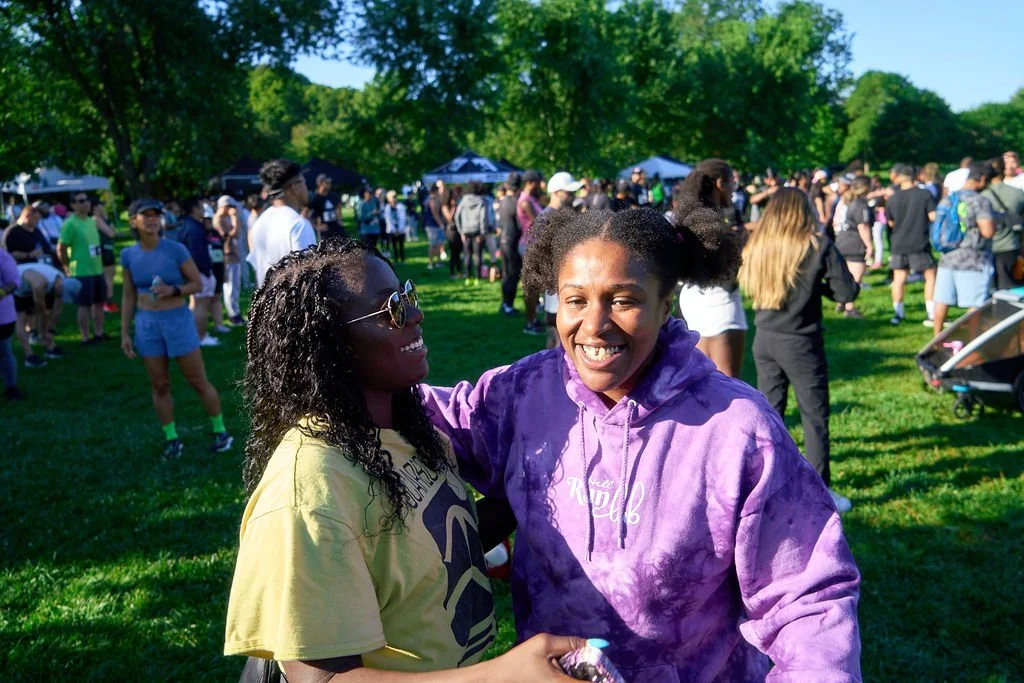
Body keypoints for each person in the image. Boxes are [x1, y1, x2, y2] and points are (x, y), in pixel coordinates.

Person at [422, 203, 861, 680]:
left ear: (665, 305)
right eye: (575, 300)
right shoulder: (524, 394)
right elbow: (431, 418)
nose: (594, 324)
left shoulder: (737, 428)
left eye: (622, 300)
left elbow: (807, 596)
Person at [224, 238, 581, 681]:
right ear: (329, 344)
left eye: (407, 294)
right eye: (391, 308)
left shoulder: (410, 431)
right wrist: (499, 676)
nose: (415, 314)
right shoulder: (309, 490)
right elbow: (325, 678)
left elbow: (430, 546)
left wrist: (528, 489)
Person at [739, 188, 859, 513]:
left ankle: (766, 487)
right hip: (801, 341)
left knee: (770, 417)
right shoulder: (817, 245)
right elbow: (847, 291)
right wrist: (820, 286)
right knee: (814, 416)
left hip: (764, 338)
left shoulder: (760, 246)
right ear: (803, 210)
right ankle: (820, 492)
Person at [120, 198, 233, 461]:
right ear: (133, 222)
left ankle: (221, 432)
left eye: (155, 215)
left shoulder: (175, 249)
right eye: (144, 215)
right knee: (159, 384)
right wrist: (125, 332)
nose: (151, 220)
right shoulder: (128, 255)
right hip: (147, 324)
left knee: (197, 381)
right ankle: (172, 439)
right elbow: (127, 295)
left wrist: (174, 290)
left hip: (177, 320)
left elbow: (197, 283)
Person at [674, 159, 748, 377]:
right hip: (718, 300)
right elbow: (727, 269)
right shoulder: (711, 220)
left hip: (692, 300)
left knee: (702, 383)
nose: (734, 188)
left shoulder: (689, 215)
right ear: (719, 183)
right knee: (727, 384)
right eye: (732, 182)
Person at [933, 162, 997, 333]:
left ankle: (936, 339)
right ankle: (972, 341)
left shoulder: (949, 198)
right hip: (973, 260)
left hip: (948, 257)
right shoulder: (979, 201)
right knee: (975, 304)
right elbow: (988, 231)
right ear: (982, 179)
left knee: (942, 300)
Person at [247, 159, 317, 288]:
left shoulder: (259, 223)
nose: (306, 188)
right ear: (295, 187)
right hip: (293, 306)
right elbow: (308, 277)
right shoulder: (298, 224)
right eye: (304, 183)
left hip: (267, 305)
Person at [885, 164, 938, 326]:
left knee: (899, 278)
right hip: (919, 242)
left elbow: (891, 222)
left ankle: (898, 313)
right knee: (930, 276)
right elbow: (933, 217)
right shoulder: (924, 195)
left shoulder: (893, 198)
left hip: (898, 242)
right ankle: (931, 313)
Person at [58, 192, 113, 345]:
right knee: (84, 306)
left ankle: (99, 333)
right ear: (73, 205)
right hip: (81, 271)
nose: (86, 203)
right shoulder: (70, 224)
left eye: (87, 200)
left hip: (97, 269)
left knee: (99, 303)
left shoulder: (91, 221)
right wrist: (66, 266)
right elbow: (61, 248)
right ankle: (85, 337)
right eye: (81, 201)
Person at [178, 197, 220, 347]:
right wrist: (206, 272)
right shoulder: (194, 228)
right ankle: (200, 337)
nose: (203, 210)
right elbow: (197, 254)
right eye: (201, 207)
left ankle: (195, 335)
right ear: (194, 209)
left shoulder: (189, 225)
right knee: (201, 305)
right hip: (199, 272)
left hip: (194, 272)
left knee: (196, 304)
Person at [982, 157, 1024, 290]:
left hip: (989, 245)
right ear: (1003, 170)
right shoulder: (1017, 193)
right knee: (1010, 285)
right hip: (1011, 245)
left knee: (989, 286)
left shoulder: (982, 196)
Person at [833, 176, 872, 318]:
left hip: (841, 241)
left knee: (843, 275)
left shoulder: (845, 201)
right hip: (854, 243)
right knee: (856, 278)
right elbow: (863, 226)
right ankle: (849, 307)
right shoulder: (860, 205)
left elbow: (835, 221)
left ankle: (840, 301)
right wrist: (869, 245)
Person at [517, 171, 546, 333]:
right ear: (530, 182)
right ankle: (529, 322)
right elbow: (539, 221)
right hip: (529, 245)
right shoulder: (525, 202)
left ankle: (533, 318)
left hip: (533, 244)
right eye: (537, 182)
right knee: (531, 286)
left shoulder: (531, 199)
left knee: (535, 286)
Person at [214, 196, 246, 326]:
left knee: (235, 286)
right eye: (230, 206)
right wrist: (235, 218)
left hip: (233, 255)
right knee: (230, 287)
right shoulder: (218, 220)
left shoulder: (226, 218)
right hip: (227, 257)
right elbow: (233, 235)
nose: (232, 209)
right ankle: (233, 315)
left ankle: (236, 312)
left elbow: (237, 234)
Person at [455, 181, 492, 285]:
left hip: (466, 231)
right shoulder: (481, 200)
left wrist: (461, 231)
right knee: (478, 255)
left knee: (467, 255)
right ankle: (477, 277)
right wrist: (483, 232)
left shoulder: (463, 200)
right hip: (477, 232)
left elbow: (456, 216)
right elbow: (483, 218)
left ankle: (467, 277)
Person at [498, 174, 523, 315]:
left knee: (507, 274)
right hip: (512, 241)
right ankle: (508, 305)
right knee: (512, 275)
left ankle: (505, 304)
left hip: (503, 240)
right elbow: (519, 224)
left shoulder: (503, 201)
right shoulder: (515, 202)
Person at [0, 248, 23, 399]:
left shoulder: (2, 256)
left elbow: (14, 281)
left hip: (2, 315)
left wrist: (1, 293)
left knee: (4, 351)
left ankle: (11, 387)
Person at [308, 174, 346, 241]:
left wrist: (340, 221)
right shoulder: (315, 198)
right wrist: (316, 227)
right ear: (320, 184)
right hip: (325, 233)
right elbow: (305, 214)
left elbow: (338, 209)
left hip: (338, 230)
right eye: (327, 182)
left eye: (329, 182)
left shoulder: (333, 195)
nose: (329, 184)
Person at [423, 184, 446, 270]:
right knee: (433, 245)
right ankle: (431, 263)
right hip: (432, 226)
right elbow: (435, 214)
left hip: (433, 225)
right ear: (436, 191)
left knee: (438, 244)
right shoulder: (432, 200)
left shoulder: (431, 199)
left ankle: (438, 262)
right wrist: (441, 224)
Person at [382, 189, 408, 263]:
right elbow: (388, 220)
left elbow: (403, 218)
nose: (394, 199)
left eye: (395, 197)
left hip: (400, 230)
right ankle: (396, 259)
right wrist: (394, 230)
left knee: (401, 245)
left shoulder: (401, 206)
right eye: (392, 197)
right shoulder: (387, 207)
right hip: (392, 230)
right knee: (394, 246)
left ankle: (402, 259)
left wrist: (399, 229)